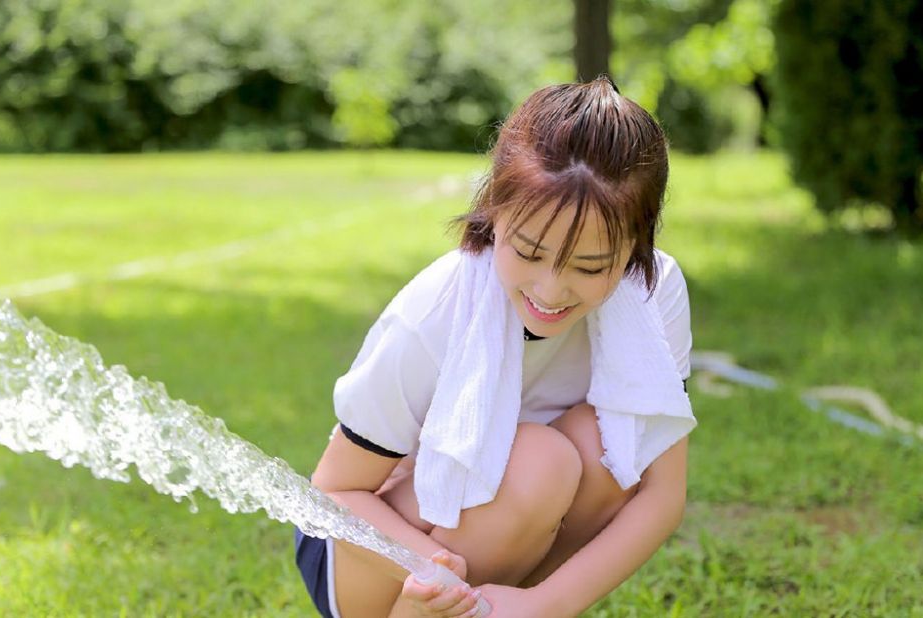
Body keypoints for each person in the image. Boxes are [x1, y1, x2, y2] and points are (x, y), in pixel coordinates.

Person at [294, 76, 696, 618]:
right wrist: (435, 575)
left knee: (610, 444)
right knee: (542, 462)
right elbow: (333, 494)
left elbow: (660, 494)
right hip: (371, 555)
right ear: (494, 211)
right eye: (528, 252)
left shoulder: (653, 294)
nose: (550, 291)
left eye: (589, 266)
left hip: (506, 526)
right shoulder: (437, 311)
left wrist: (547, 603)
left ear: (636, 246)